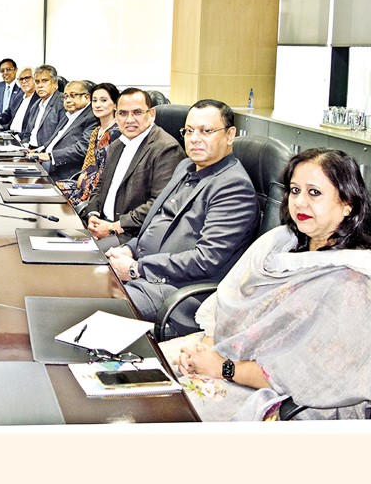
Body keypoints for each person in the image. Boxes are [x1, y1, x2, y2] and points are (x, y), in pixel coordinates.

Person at [160, 148, 371, 421]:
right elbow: (228, 302)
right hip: (227, 356)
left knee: (163, 414)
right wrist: (206, 349)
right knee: (146, 371)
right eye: (295, 190)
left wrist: (222, 368)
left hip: (286, 399)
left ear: (347, 203)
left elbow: (309, 376)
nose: (299, 202)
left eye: (314, 193)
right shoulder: (281, 242)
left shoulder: (356, 284)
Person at [105, 99, 259, 332]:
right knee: (80, 280)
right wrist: (130, 249)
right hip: (146, 273)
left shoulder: (233, 186)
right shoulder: (186, 167)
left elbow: (205, 260)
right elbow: (159, 223)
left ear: (230, 135)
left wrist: (137, 268)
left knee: (97, 306)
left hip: (176, 294)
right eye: (189, 131)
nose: (195, 138)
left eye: (206, 131)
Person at [86, 87, 185, 246]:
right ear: (116, 115)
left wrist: (113, 227)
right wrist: (93, 215)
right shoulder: (117, 145)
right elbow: (101, 185)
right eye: (123, 113)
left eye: (137, 112)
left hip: (131, 235)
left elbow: (159, 203)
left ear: (151, 114)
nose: (129, 120)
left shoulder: (166, 149)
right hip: (103, 226)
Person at [56, 82, 121, 207]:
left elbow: (107, 171)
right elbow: (89, 161)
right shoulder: (96, 131)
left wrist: (86, 181)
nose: (97, 105)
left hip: (98, 190)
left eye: (103, 100)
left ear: (115, 104)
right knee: (53, 189)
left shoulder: (116, 133)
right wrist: (83, 173)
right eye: (94, 100)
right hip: (85, 182)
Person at [29, 80, 98, 181]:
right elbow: (55, 139)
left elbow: (82, 149)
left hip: (65, 172)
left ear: (86, 97)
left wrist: (50, 156)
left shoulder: (92, 117)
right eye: (65, 96)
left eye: (73, 96)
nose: (68, 100)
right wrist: (37, 150)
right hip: (47, 164)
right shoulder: (69, 114)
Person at [20, 64, 63, 147]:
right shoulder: (36, 104)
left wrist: (38, 151)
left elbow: (59, 137)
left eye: (44, 81)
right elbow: (27, 133)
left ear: (55, 83)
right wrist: (24, 146)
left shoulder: (62, 103)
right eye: (37, 82)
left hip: (43, 151)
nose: (40, 85)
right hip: (28, 148)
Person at [8, 66, 38, 133]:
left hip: (23, 136)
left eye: (27, 78)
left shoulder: (39, 99)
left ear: (35, 79)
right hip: (9, 133)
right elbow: (7, 115)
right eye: (21, 79)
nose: (24, 81)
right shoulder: (18, 96)